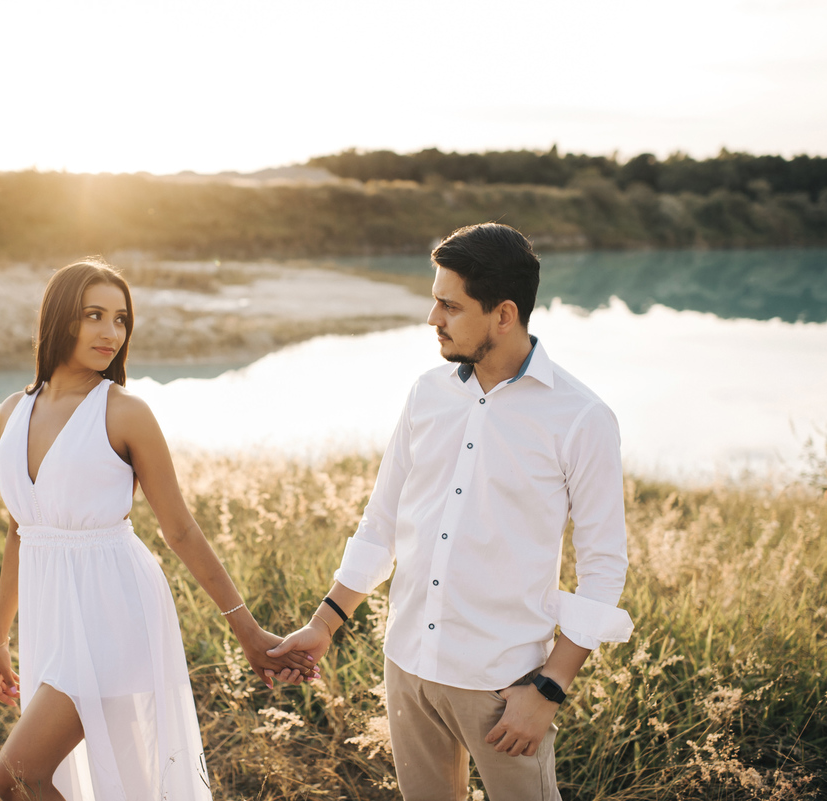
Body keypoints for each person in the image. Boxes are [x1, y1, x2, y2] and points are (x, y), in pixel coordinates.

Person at [268, 223, 634, 801]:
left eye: (448, 304)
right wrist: (324, 623)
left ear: (504, 314)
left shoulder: (581, 418)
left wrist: (550, 688)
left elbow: (605, 567)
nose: (432, 318)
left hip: (501, 684)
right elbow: (381, 521)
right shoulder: (427, 392)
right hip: (408, 665)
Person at [0, 258, 313, 801]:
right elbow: (22, 529)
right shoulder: (11, 412)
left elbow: (180, 528)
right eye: (94, 315)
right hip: (51, 611)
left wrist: (247, 630)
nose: (111, 332)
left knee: (18, 776)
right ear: (60, 319)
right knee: (97, 776)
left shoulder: (124, 413)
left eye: (120, 319)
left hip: (113, 608)